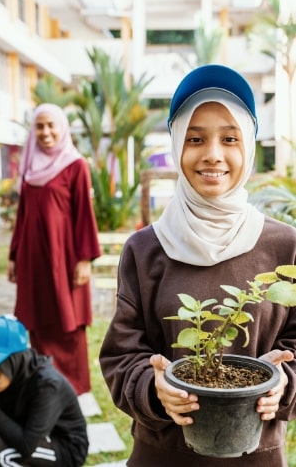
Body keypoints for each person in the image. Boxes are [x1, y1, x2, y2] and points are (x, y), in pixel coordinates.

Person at [99, 64, 296, 467]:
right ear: (176, 144)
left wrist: (284, 385)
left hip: (255, 455)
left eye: (229, 138)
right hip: (163, 455)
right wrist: (154, 389)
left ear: (250, 145)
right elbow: (121, 356)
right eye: (195, 138)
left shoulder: (285, 248)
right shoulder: (145, 248)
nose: (212, 154)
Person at [8, 103, 101, 395]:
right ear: (33, 131)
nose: (46, 132)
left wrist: (85, 259)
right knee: (37, 316)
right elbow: (22, 215)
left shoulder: (76, 165)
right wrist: (13, 256)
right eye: (40, 126)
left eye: (51, 126)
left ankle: (72, 388)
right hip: (32, 257)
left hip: (65, 257)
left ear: (62, 128)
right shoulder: (29, 167)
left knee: (67, 318)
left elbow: (84, 213)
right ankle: (45, 384)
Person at [0, 315, 89, 467]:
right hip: (26, 432)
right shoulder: (5, 377)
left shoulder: (47, 384)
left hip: (63, 448)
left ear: (14, 362)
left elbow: (27, 446)